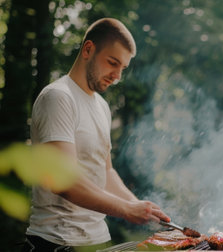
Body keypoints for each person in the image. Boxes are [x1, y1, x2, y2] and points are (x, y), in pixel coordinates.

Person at [23, 18, 171, 251]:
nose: (117, 76)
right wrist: (126, 210)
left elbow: (105, 170)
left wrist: (139, 206)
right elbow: (63, 181)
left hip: (97, 241)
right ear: (88, 49)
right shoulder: (58, 97)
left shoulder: (102, 106)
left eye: (122, 68)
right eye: (112, 63)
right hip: (58, 243)